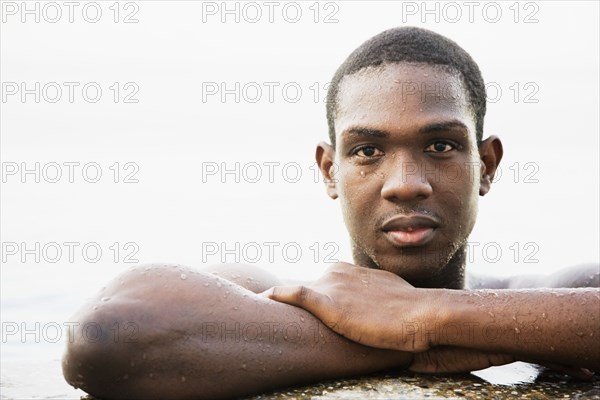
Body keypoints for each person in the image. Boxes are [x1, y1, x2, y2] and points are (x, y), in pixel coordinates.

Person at [62, 27, 599, 400]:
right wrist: (411, 342)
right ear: (328, 170)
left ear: (486, 165)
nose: (405, 184)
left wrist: (423, 317)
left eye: (439, 146)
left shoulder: (555, 290)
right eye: (367, 151)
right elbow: (106, 336)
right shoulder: (276, 300)